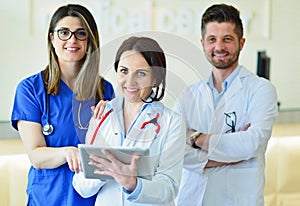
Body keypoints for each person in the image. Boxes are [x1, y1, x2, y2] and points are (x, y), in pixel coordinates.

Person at [174, 4, 278, 206]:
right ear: (203, 43)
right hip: (193, 199)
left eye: (227, 39)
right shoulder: (188, 95)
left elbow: (253, 142)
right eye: (212, 39)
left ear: (242, 42)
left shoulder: (261, 89)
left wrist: (195, 138)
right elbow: (174, 152)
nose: (219, 47)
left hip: (237, 199)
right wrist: (233, 152)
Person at [11, 4, 114, 206]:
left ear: (90, 40)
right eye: (64, 33)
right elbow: (36, 155)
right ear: (52, 38)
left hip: (92, 197)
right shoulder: (30, 89)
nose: (72, 40)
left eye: (80, 33)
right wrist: (68, 152)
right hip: (49, 197)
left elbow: (111, 148)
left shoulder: (104, 90)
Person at [72, 36, 186, 205]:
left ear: (156, 78)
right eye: (124, 71)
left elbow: (169, 188)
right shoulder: (102, 115)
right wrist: (104, 171)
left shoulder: (172, 122)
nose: (130, 82)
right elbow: (80, 185)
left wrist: (133, 184)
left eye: (141, 73)